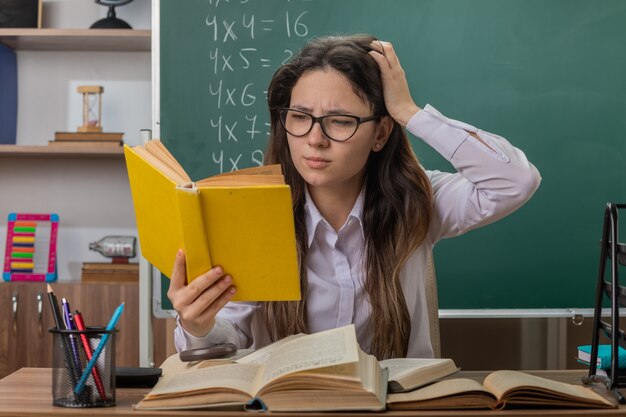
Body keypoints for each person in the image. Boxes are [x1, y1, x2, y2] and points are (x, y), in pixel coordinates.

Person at [168, 34, 541, 359]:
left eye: (341, 121)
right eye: (300, 116)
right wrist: (199, 327)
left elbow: (515, 181)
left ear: (380, 134)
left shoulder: (417, 201)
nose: (315, 139)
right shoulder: (250, 217)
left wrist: (409, 113)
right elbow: (230, 344)